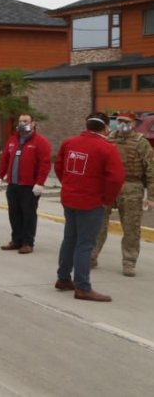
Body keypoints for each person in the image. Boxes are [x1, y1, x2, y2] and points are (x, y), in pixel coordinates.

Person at [53, 112, 125, 302]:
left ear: (87, 126)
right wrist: (107, 199)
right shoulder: (107, 148)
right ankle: (83, 287)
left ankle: (63, 278)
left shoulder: (69, 143)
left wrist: (68, 184)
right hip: (91, 202)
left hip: (69, 198)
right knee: (85, 244)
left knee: (70, 239)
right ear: (106, 128)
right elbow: (116, 178)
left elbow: (59, 167)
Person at [91, 111, 154, 277]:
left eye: (126, 121)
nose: (121, 124)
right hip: (108, 186)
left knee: (131, 227)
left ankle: (129, 261)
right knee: (98, 224)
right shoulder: (108, 139)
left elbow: (151, 170)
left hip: (131, 188)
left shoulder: (141, 143)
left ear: (133, 124)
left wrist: (151, 197)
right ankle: (91, 256)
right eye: (119, 121)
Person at [0, 113, 53, 254]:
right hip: (13, 185)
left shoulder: (41, 142)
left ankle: (28, 243)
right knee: (14, 214)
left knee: (28, 215)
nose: (22, 123)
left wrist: (40, 183)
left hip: (30, 186)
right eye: (20, 121)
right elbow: (5, 159)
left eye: (25, 121)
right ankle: (16, 240)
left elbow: (44, 165)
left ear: (33, 123)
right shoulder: (13, 140)